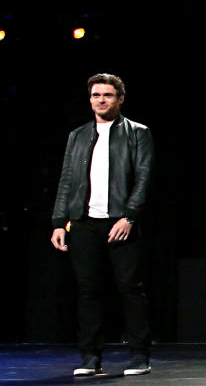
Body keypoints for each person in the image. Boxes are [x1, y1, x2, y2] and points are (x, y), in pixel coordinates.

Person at [50, 73, 153, 376]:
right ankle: (90, 357)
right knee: (88, 290)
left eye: (108, 95)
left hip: (120, 221)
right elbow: (67, 179)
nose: (101, 100)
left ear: (120, 98)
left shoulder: (137, 133)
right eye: (96, 95)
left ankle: (139, 354)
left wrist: (129, 215)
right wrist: (59, 221)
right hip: (83, 222)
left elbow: (144, 177)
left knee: (129, 287)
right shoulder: (78, 135)